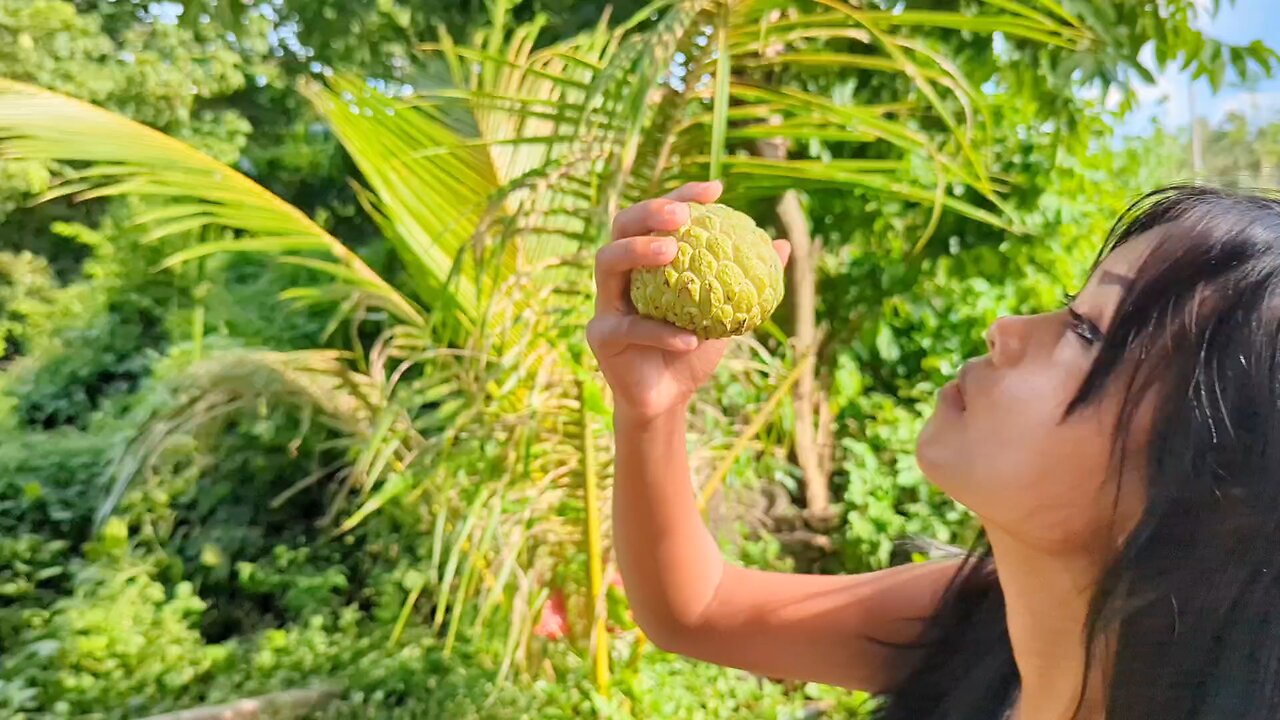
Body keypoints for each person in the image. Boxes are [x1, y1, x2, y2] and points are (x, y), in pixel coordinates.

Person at [586, 179, 1280, 720]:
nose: (1006, 329)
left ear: (1215, 492)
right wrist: (653, 408)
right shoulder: (982, 618)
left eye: (1087, 331)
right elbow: (700, 607)